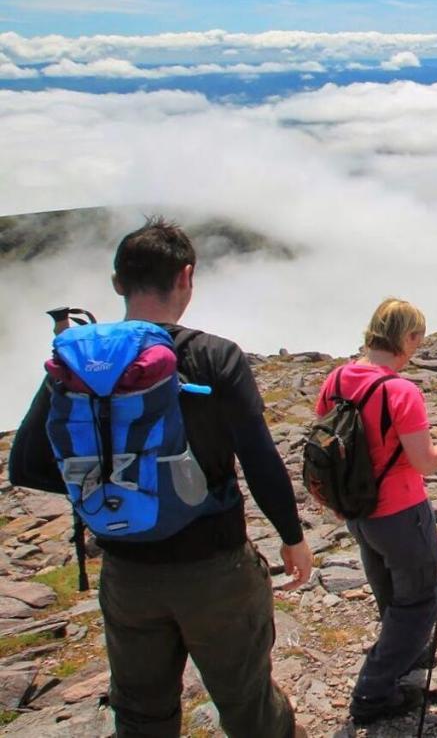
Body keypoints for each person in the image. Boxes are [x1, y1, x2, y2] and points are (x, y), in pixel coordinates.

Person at [9, 217, 312, 738]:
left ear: (117, 283)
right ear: (187, 277)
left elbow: (26, 466)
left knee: (141, 714)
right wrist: (292, 538)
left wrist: (113, 485)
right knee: (247, 704)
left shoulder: (76, 360)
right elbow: (260, 461)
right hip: (213, 566)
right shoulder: (214, 356)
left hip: (126, 572)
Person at [314, 298, 437, 726]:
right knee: (420, 599)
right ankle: (374, 689)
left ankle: (404, 650)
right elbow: (425, 462)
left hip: (357, 511)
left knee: (387, 587)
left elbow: (329, 443)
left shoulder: (335, 380)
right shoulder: (399, 390)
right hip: (401, 512)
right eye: (417, 339)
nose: (417, 348)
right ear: (406, 338)